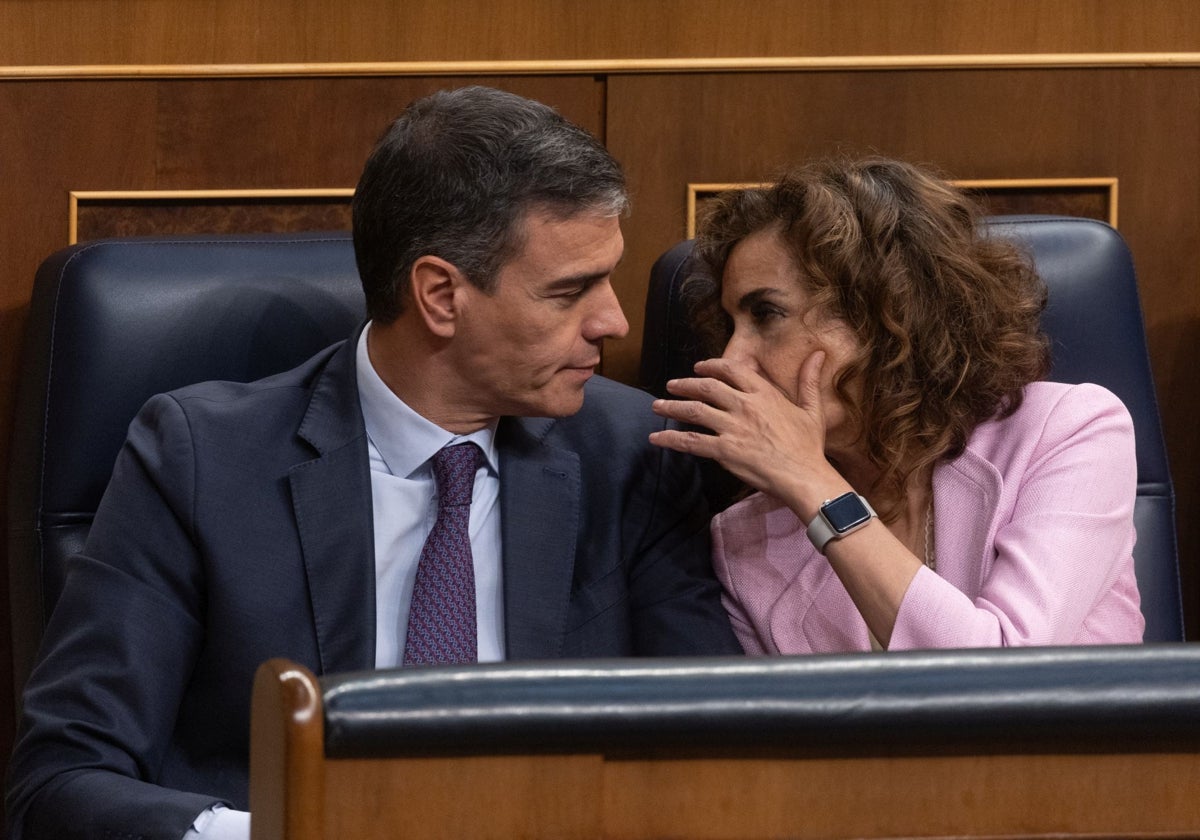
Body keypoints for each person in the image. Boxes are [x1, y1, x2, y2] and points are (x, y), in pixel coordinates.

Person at [7, 86, 740, 840]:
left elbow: (717, 750)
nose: (613, 322)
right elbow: (61, 780)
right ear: (440, 295)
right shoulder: (201, 461)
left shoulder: (633, 455)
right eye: (570, 291)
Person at [649, 156, 1144, 655]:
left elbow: (1003, 678)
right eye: (730, 326)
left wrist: (813, 483)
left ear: (885, 313)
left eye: (767, 314)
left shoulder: (1069, 432)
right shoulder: (744, 540)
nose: (732, 358)